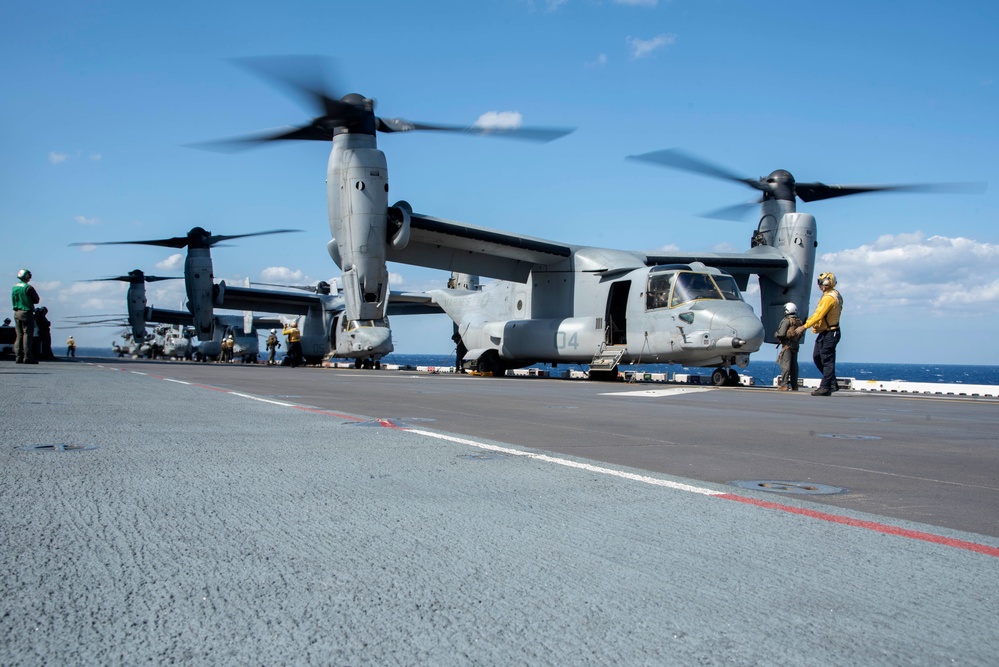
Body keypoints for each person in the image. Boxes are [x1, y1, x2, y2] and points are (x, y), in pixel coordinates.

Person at [794, 272, 843, 396]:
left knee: (827, 359)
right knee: (817, 357)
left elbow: (819, 315)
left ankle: (825, 387)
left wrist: (804, 327)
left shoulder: (829, 297)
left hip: (830, 332)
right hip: (826, 332)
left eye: (820, 283)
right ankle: (831, 382)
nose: (819, 285)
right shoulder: (831, 294)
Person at [11, 268, 40, 364]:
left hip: (16, 312)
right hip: (26, 312)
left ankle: (18, 356)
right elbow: (36, 300)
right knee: (27, 334)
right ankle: (27, 357)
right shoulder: (28, 287)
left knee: (19, 335)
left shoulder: (14, 287)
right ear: (26, 276)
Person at [774, 302, 802, 391]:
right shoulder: (798, 321)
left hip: (787, 345)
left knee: (785, 365)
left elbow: (781, 333)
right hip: (795, 345)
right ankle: (795, 385)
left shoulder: (786, 320)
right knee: (794, 365)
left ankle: (784, 385)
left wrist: (776, 334)